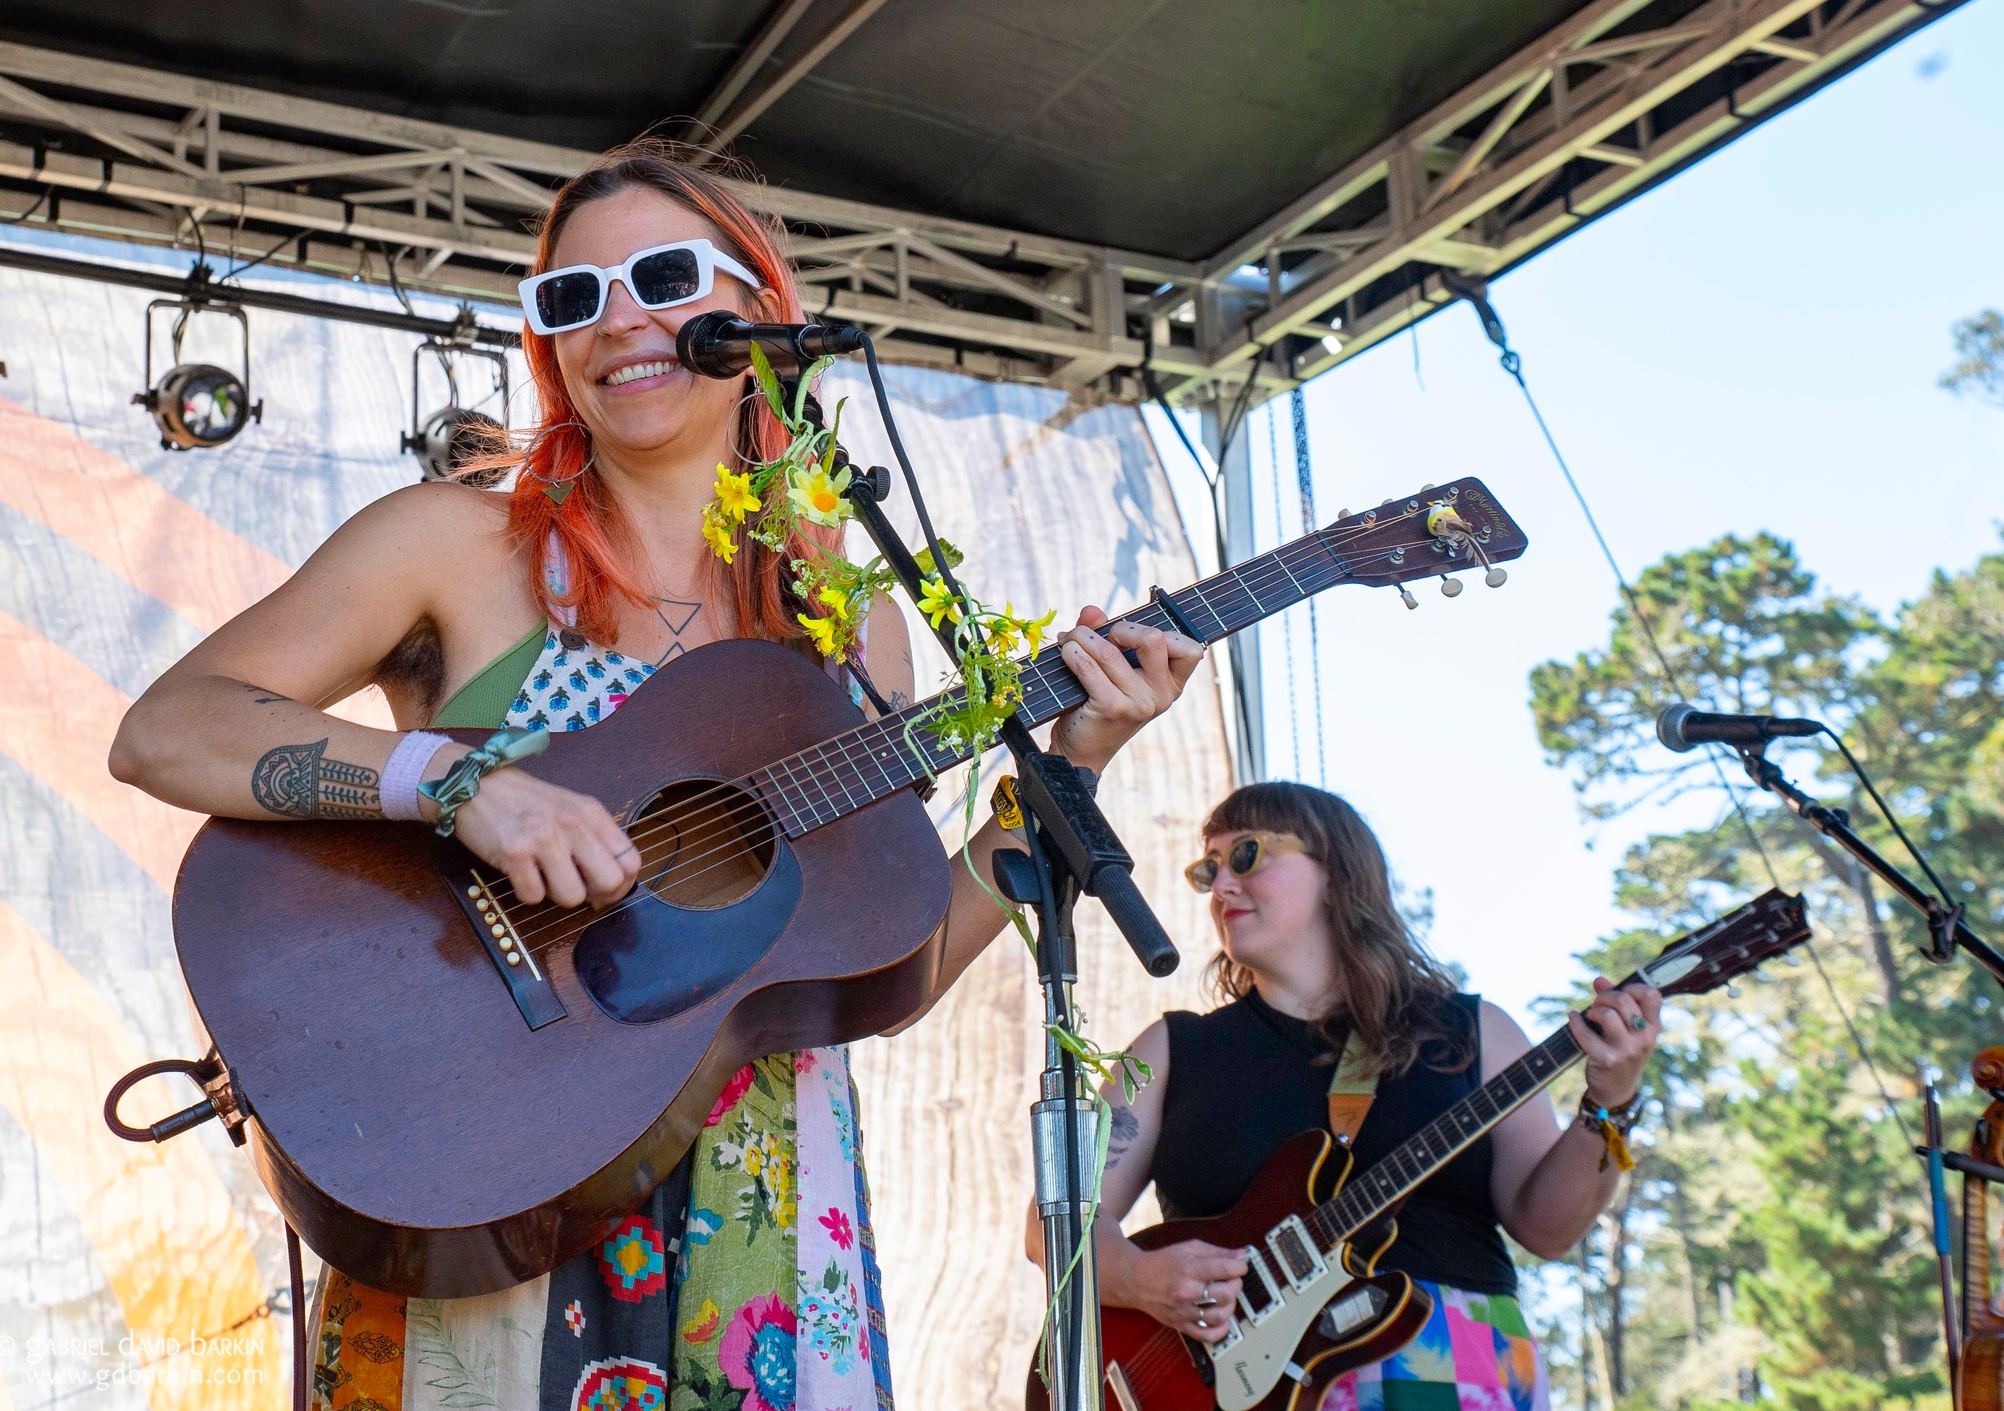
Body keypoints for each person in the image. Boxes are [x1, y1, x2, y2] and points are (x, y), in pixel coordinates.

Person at [110, 138, 1204, 1411]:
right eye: (569, 298)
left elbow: (877, 961)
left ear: (760, 310)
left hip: (768, 1219)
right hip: (491, 1173)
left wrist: (1063, 776)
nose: (616, 321)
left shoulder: (848, 620)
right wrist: (458, 786)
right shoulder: (454, 545)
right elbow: (168, 728)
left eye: (661, 277)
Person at [1029, 782, 1659, 1410]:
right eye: (1209, 868)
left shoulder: (1472, 1032)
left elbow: (1548, 1229)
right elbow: (1049, 1225)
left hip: (1452, 1363)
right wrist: (1139, 1279)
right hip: (1237, 1387)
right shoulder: (1171, 1049)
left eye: (1246, 855)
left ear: (1335, 872)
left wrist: (1611, 1102)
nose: (1221, 887)